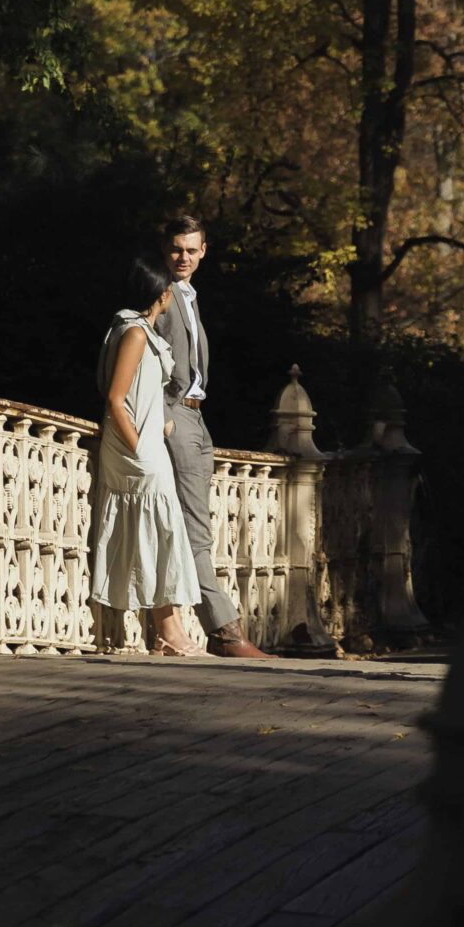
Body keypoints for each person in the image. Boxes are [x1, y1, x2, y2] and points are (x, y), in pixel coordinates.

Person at [160, 211, 271, 659]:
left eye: (191, 250)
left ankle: (210, 627)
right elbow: (141, 353)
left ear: (204, 252)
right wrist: (165, 415)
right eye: (176, 249)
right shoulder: (162, 297)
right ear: (165, 250)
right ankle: (226, 631)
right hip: (176, 418)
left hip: (198, 418)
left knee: (196, 527)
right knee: (196, 532)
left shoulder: (189, 296)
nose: (183, 257)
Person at [90, 256, 202, 655]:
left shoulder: (137, 330)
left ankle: (168, 630)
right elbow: (117, 399)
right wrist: (139, 444)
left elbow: (140, 392)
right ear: (161, 294)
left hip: (145, 441)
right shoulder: (135, 333)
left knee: (157, 532)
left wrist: (162, 423)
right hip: (135, 451)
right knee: (159, 530)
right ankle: (169, 632)